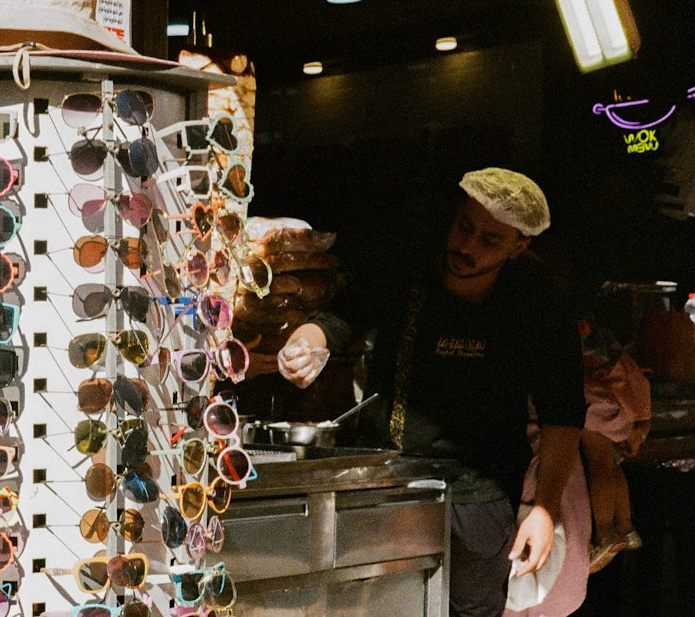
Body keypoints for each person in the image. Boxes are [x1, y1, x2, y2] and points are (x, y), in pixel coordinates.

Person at [277, 167, 588, 617]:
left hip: (482, 494)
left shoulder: (541, 306)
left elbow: (563, 414)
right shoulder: (409, 272)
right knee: (377, 606)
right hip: (391, 478)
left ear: (519, 246)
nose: (466, 246)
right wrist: (308, 343)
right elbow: (343, 316)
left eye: (489, 240)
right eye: (465, 227)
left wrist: (545, 509)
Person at [578, 316, 650, 572]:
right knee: (609, 464)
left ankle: (604, 534)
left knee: (598, 463)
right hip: (617, 409)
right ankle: (625, 526)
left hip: (595, 403)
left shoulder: (581, 334)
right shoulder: (606, 339)